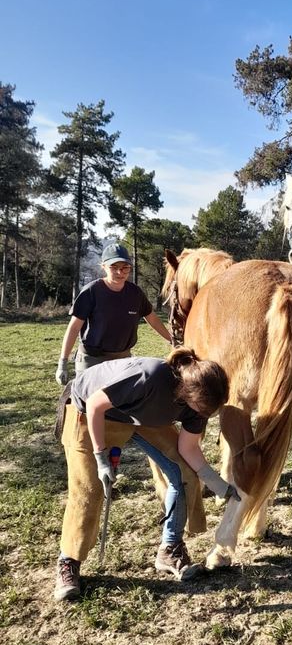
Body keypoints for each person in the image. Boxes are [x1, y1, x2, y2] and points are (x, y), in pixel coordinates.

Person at [54, 348, 240, 602]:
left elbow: (188, 449)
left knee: (184, 473)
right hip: (88, 412)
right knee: (89, 488)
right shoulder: (149, 378)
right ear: (188, 393)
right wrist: (100, 458)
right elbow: (96, 405)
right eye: (203, 409)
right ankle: (69, 562)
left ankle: (169, 548)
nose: (204, 416)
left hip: (139, 417)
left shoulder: (197, 407)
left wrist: (218, 483)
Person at [55, 241, 173, 385]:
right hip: (92, 360)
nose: (120, 272)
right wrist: (63, 363)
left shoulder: (135, 293)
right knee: (89, 404)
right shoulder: (91, 292)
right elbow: (74, 328)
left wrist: (172, 340)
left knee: (122, 404)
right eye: (114, 267)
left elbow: (153, 319)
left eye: (125, 268)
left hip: (123, 360)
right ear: (103, 266)